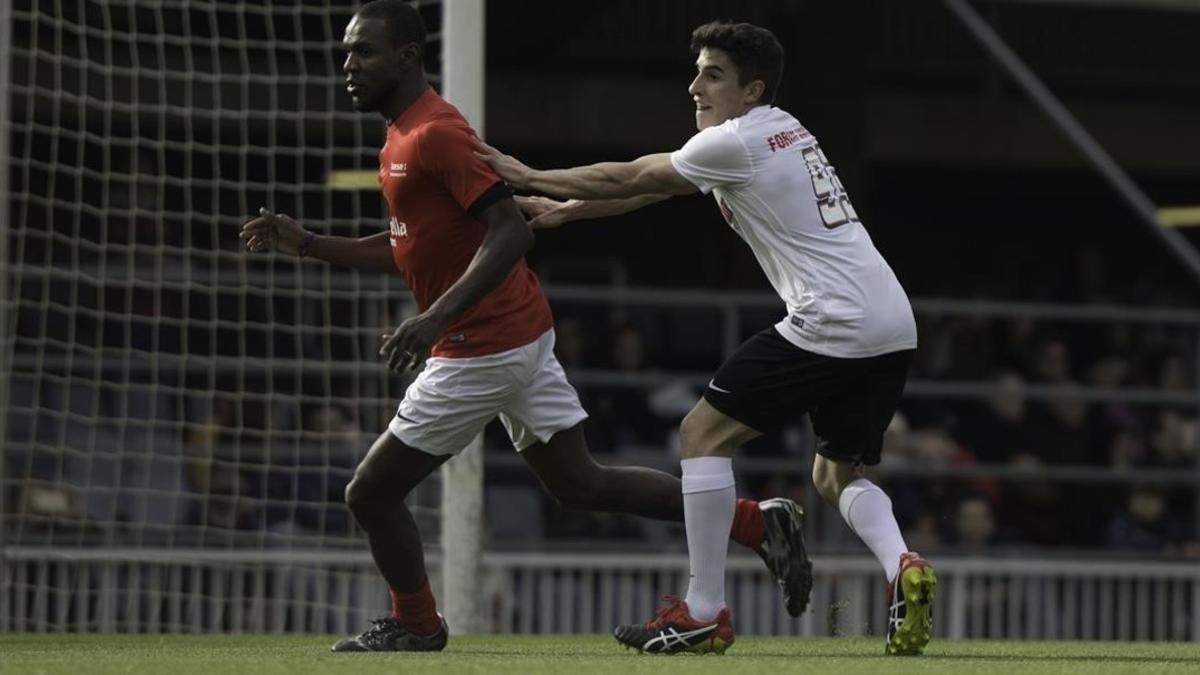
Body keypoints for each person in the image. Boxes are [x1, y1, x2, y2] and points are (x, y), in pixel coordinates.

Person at [239, 1, 808, 654]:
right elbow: (406, 248)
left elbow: (509, 230)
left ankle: (417, 623)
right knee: (580, 482)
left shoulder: (435, 134)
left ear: (406, 57)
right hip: (516, 333)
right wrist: (310, 243)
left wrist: (434, 319)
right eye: (346, 52)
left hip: (480, 346)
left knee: (370, 491)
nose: (348, 65)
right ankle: (755, 523)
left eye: (362, 52)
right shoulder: (399, 137)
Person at [477, 20, 934, 656]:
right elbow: (652, 187)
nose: (694, 85)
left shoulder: (735, 141)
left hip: (833, 320)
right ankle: (903, 566)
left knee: (700, 434)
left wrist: (525, 174)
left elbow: (629, 176)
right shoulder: (781, 127)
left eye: (712, 74)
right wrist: (569, 210)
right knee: (835, 474)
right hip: (891, 321)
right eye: (696, 71)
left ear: (751, 90)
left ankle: (701, 610)